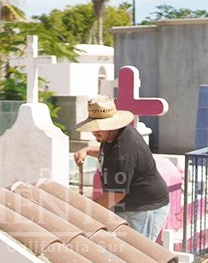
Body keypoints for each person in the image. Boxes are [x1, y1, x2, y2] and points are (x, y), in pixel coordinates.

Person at [72, 95, 169, 241]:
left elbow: (116, 194)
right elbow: (106, 154)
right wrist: (86, 151)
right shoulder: (112, 135)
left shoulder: (122, 153)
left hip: (145, 208)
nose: (96, 131)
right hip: (129, 205)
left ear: (112, 125)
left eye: (101, 127)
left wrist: (87, 210)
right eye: (94, 127)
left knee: (139, 254)